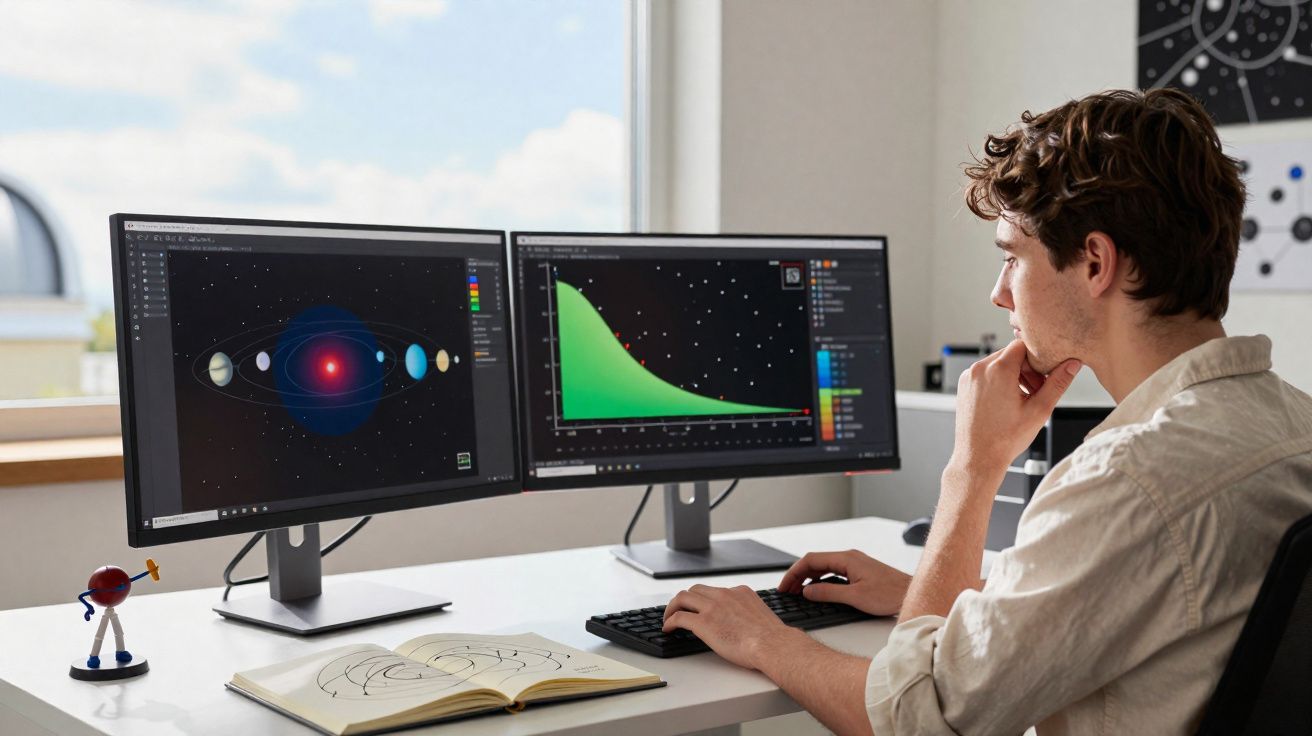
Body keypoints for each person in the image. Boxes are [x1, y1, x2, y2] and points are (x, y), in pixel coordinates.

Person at [661, 88, 1312, 735]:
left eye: (1012, 257)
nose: (999, 293)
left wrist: (763, 638)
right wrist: (974, 595)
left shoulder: (1128, 481)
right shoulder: (1291, 426)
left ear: (1095, 262)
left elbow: (917, 716)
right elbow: (1158, 591)